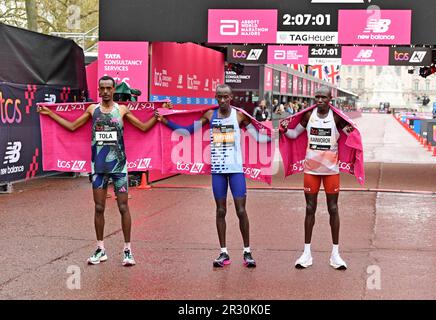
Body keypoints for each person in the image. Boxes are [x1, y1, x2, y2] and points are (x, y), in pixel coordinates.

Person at [37, 75, 158, 267]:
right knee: (99, 208)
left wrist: (158, 117)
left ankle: (127, 250)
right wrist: (50, 114)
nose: (106, 92)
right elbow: (72, 126)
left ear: (114, 90)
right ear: (99, 90)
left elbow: (143, 128)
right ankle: (100, 249)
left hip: (119, 167)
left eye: (109, 88)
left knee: (123, 207)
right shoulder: (92, 110)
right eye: (102, 88)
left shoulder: (122, 110)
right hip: (98, 168)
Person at [156, 84, 270, 268]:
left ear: (231, 97)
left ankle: (247, 251)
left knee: (241, 210)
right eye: (219, 97)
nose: (222, 100)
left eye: (225, 96)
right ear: (215, 97)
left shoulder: (238, 115)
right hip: (218, 170)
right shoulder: (210, 115)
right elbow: (186, 132)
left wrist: (279, 134)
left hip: (235, 170)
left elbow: (260, 138)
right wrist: (164, 120)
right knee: (221, 210)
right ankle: (223, 252)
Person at [280, 86, 354, 270]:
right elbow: (294, 134)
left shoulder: (336, 117)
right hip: (311, 170)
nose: (320, 100)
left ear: (330, 99)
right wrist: (284, 130)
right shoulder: (308, 116)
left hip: (331, 170)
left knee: (333, 209)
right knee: (309, 209)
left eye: (323, 97)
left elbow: (350, 135)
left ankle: (335, 254)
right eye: (317, 97)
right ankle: (306, 254)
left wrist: (351, 131)